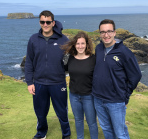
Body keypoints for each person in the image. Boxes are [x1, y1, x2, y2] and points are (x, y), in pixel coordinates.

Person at [92, 19, 142, 139]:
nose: (106, 35)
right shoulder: (98, 48)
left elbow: (136, 75)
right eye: (103, 32)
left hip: (116, 101)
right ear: (100, 34)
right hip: (98, 99)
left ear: (114, 32)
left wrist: (126, 95)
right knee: (106, 129)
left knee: (120, 134)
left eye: (109, 31)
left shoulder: (124, 52)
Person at [25, 10, 71, 139]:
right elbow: (29, 61)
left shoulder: (63, 39)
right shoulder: (33, 39)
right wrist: (29, 82)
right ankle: (41, 133)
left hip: (58, 83)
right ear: (39, 22)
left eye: (48, 22)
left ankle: (66, 134)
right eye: (42, 22)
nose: (45, 24)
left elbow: (69, 60)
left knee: (62, 111)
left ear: (53, 23)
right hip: (39, 83)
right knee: (40, 112)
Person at [61, 31, 98, 139]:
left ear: (86, 44)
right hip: (74, 96)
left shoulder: (93, 59)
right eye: (78, 43)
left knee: (91, 123)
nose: (80, 46)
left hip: (89, 96)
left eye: (82, 43)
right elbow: (62, 68)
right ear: (74, 45)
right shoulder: (70, 58)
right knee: (78, 120)